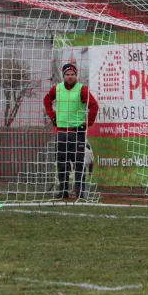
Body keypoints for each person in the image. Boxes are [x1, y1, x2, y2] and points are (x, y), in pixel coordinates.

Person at [43, 63, 99, 199]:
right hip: (61, 132)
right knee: (62, 162)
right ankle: (63, 191)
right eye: (67, 74)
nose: (70, 77)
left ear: (76, 76)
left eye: (72, 74)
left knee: (79, 163)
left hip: (77, 132)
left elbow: (94, 106)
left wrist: (87, 123)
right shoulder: (57, 89)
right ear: (63, 76)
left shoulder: (82, 90)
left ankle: (80, 192)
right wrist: (52, 115)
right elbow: (46, 100)